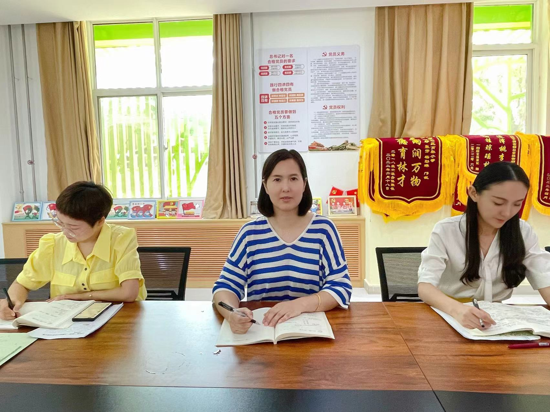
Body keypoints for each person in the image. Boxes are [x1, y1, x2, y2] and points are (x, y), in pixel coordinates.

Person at [213, 149, 352, 334]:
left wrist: (299, 305)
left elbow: (341, 286)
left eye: (293, 178)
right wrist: (232, 313)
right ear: (265, 185)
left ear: (304, 184)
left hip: (311, 332)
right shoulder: (250, 233)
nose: (286, 187)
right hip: (261, 332)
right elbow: (225, 286)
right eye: (277, 179)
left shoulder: (324, 229)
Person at [418, 162, 550, 329]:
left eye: (517, 204)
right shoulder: (447, 230)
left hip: (497, 321)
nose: (507, 213)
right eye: (498, 203)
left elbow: (545, 277)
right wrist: (457, 310)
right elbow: (425, 287)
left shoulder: (524, 233)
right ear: (474, 193)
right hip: (450, 315)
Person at [0, 182, 147, 320]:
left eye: (73, 227)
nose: (65, 231)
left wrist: (77, 297)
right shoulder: (53, 245)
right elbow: (22, 284)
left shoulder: (121, 238)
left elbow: (129, 293)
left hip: (118, 320)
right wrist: (11, 301)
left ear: (100, 222)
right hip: (65, 323)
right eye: (60, 223)